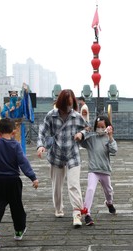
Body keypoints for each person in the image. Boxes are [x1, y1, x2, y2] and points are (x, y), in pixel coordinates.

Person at [0, 118, 39, 249]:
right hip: (13, 181)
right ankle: (19, 231)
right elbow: (23, 163)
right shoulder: (16, 145)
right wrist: (33, 178)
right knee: (16, 207)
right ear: (14, 130)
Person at [36, 89, 90, 227]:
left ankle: (76, 213)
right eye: (67, 104)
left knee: (73, 184)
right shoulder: (51, 116)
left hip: (73, 154)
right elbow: (42, 132)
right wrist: (40, 146)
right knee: (57, 186)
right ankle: (58, 209)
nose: (69, 107)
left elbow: (88, 128)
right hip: (56, 155)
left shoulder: (76, 116)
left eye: (71, 104)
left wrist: (81, 134)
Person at [80, 115, 118, 226]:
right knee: (90, 189)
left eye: (103, 127)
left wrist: (110, 137)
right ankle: (87, 213)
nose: (100, 129)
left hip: (105, 170)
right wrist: (85, 131)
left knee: (108, 191)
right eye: (98, 127)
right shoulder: (91, 138)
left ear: (107, 127)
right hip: (93, 169)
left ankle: (109, 203)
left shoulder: (108, 138)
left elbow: (114, 150)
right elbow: (81, 141)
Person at [1, 85, 34, 154]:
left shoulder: (20, 104)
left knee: (20, 144)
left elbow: (25, 101)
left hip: (19, 126)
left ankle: (20, 157)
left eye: (15, 95)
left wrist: (25, 92)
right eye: (12, 95)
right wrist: (9, 110)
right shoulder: (7, 105)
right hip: (9, 127)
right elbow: (2, 114)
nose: (14, 97)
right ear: (10, 96)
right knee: (10, 144)